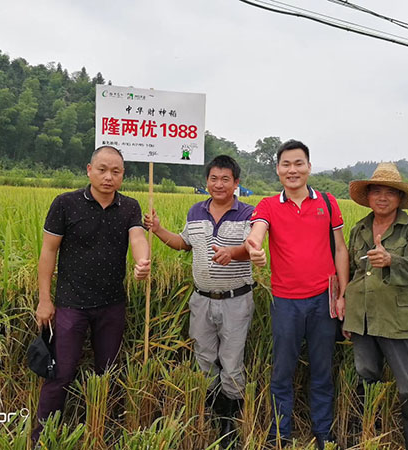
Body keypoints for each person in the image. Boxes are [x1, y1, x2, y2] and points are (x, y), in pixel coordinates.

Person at [32, 145, 150, 443]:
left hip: (112, 304)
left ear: (123, 175)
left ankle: (100, 431)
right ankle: (42, 437)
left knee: (107, 372)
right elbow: (48, 252)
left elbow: (137, 236)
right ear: (89, 170)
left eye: (116, 172)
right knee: (61, 373)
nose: (108, 177)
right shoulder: (65, 204)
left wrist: (142, 262)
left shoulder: (130, 206)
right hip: (71, 304)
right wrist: (44, 300)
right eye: (102, 170)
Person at [144, 155, 259, 448]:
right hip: (201, 299)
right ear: (207, 181)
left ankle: (230, 424)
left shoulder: (249, 213)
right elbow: (183, 243)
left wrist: (232, 253)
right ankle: (210, 415)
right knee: (204, 360)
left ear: (236, 183)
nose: (219, 184)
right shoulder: (196, 211)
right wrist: (158, 229)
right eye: (213, 178)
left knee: (232, 363)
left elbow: (252, 247)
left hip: (236, 300)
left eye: (225, 179)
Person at [245, 140, 349, 449]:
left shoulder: (327, 202)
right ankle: (280, 434)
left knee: (322, 369)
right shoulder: (268, 205)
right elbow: (257, 232)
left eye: (298, 163)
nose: (293, 170)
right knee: (282, 371)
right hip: (286, 302)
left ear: (309, 167)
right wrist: (254, 247)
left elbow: (340, 249)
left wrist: (343, 294)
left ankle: (324, 434)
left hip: (322, 300)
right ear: (277, 169)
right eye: (286, 164)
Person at [343, 162, 408, 450]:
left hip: (398, 319)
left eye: (390, 192)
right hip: (362, 319)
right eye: (376, 191)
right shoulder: (359, 229)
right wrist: (347, 313)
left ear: (399, 198)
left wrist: (391, 260)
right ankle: (367, 437)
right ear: (368, 196)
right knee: (366, 378)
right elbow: (353, 272)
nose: (382, 197)